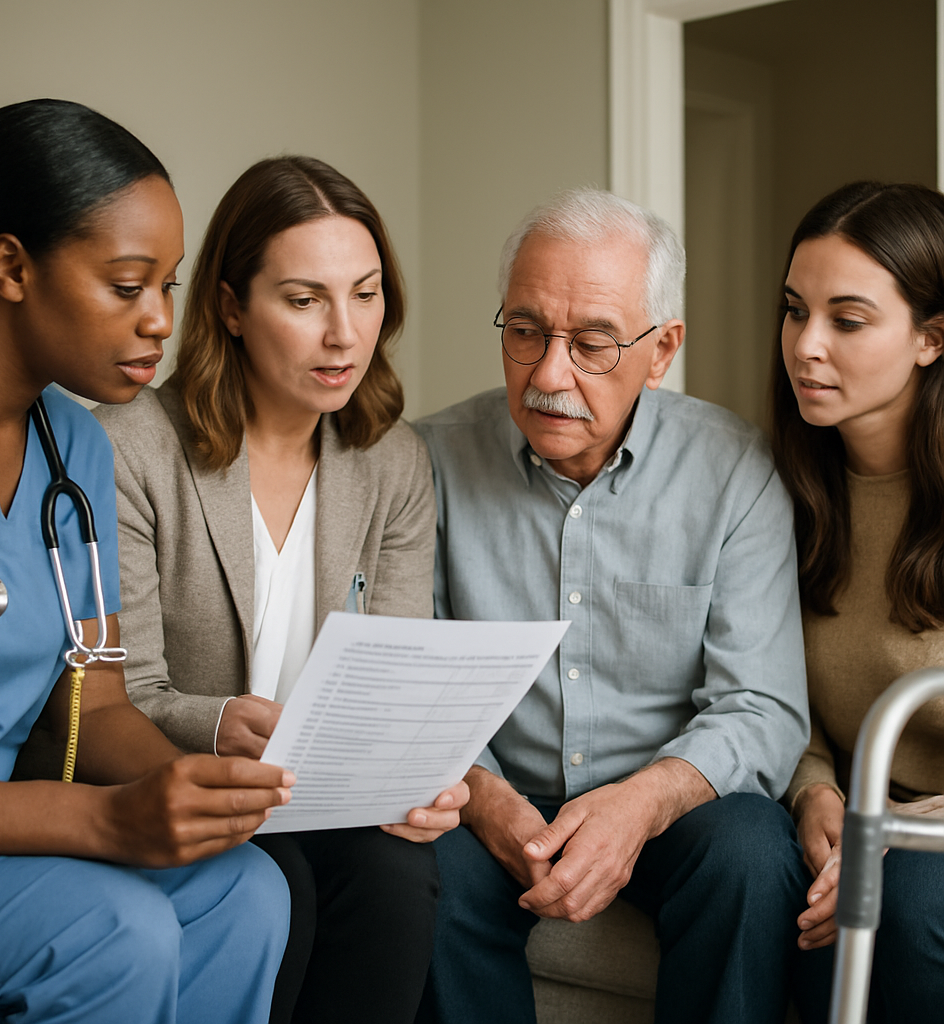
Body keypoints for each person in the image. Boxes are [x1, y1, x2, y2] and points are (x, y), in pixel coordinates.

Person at [0, 99, 293, 1024]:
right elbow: (85, 808)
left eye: (167, 286)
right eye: (128, 286)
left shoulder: (79, 455)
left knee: (245, 891)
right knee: (114, 927)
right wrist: (101, 821)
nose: (160, 321)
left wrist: (196, 788)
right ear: (11, 266)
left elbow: (96, 703)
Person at [413, 187, 812, 1024]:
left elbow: (764, 705)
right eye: (525, 332)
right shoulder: (428, 461)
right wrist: (486, 800)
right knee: (420, 865)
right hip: (494, 789)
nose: (550, 375)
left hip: (668, 805)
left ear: (662, 349)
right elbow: (410, 682)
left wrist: (642, 803)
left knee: (748, 851)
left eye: (594, 344)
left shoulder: (732, 468)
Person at [94, 155, 465, 1024]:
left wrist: (422, 773)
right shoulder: (133, 448)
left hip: (325, 793)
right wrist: (222, 720)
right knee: (279, 880)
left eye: (365, 294)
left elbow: (395, 673)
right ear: (230, 308)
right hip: (189, 782)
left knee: (399, 874)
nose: (345, 333)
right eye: (304, 301)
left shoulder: (394, 461)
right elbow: (127, 691)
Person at [771, 181, 944, 1023]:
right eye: (795, 311)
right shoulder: (780, 493)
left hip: (929, 836)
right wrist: (817, 797)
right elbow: (767, 685)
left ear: (930, 338)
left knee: (898, 909)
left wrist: (883, 840)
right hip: (858, 815)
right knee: (767, 891)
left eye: (846, 320)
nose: (806, 347)